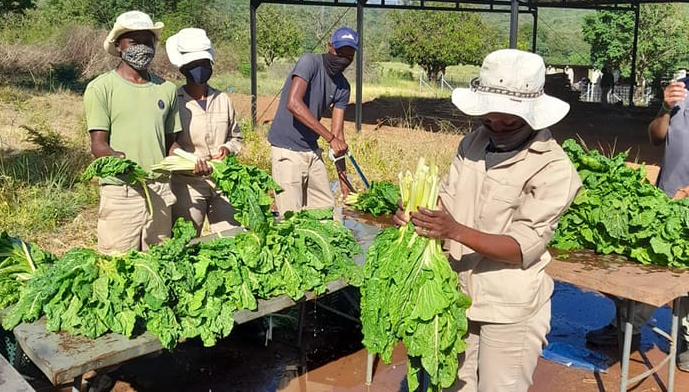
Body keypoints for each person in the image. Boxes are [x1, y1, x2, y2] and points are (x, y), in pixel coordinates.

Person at [394, 49, 582, 391]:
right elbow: (448, 200)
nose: (497, 128)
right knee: (452, 384)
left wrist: (454, 230)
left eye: (509, 122)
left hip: (508, 306)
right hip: (454, 294)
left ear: (533, 118)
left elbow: (521, 247)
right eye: (489, 120)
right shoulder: (473, 143)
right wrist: (418, 213)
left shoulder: (554, 168)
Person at [586, 76, 689, 371]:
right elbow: (655, 136)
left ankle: (687, 339)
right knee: (654, 269)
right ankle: (626, 326)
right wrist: (666, 108)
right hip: (667, 199)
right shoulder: (680, 87)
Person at [84, 10, 180, 254]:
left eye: (148, 42)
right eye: (134, 42)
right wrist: (118, 160)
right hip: (121, 191)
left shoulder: (167, 90)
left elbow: (170, 144)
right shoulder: (101, 88)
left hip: (159, 189)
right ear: (119, 45)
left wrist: (191, 159)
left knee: (159, 265)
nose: (143, 48)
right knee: (117, 267)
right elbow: (98, 144)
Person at [267, 26, 358, 214]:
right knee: (291, 219)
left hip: (312, 151)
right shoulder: (309, 62)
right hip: (287, 150)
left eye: (349, 56)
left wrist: (343, 180)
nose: (343, 59)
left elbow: (338, 135)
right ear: (329, 46)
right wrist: (330, 138)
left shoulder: (343, 87)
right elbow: (293, 103)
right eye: (340, 53)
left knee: (325, 211)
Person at [165, 27, 243, 236]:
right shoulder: (175, 102)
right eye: (194, 65)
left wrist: (228, 149)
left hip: (222, 181)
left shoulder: (223, 100)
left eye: (204, 64)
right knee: (187, 240)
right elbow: (169, 143)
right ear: (184, 69)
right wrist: (191, 161)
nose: (200, 69)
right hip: (188, 184)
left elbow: (236, 137)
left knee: (230, 238)